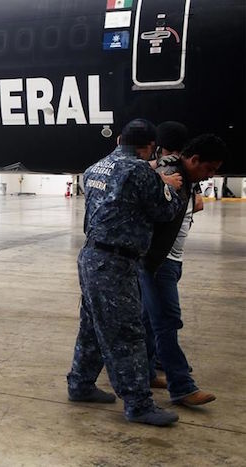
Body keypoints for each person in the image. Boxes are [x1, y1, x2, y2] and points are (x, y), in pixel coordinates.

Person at [66, 119, 185, 426]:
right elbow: (164, 211)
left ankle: (80, 384)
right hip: (116, 263)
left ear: (119, 139)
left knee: (92, 326)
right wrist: (168, 187)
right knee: (127, 333)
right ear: (149, 148)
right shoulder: (140, 171)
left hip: (92, 257)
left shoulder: (95, 168)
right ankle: (138, 404)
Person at [140, 130, 228, 406]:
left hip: (172, 260)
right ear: (194, 158)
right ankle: (182, 386)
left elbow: (196, 205)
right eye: (209, 169)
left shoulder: (190, 177)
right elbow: (134, 171)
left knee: (149, 321)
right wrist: (160, 178)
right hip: (158, 262)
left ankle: (145, 372)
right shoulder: (169, 168)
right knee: (167, 321)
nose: (210, 175)